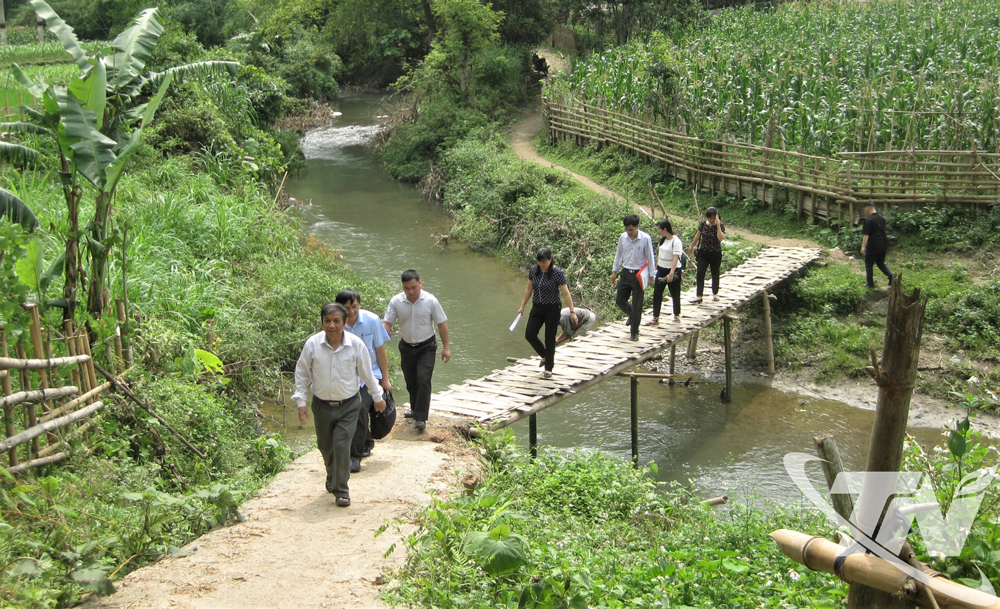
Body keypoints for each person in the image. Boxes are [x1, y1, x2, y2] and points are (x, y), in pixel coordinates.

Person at [292, 302, 386, 508]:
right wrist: (301, 402)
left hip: (349, 405)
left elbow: (367, 374)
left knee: (342, 445)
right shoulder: (313, 344)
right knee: (325, 446)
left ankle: (342, 490)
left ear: (345, 323)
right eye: (327, 321)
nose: (332, 325)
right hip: (322, 405)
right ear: (322, 322)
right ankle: (332, 476)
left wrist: (377, 397)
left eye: (336, 321)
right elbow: (302, 373)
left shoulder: (356, 345)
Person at [382, 270, 450, 432]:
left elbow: (442, 324)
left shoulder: (431, 301)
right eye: (407, 288)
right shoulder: (396, 302)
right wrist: (379, 343)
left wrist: (446, 347)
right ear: (403, 287)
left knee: (423, 378)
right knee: (411, 380)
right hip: (406, 346)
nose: (411, 292)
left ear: (420, 283)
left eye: (414, 287)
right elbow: (387, 323)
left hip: (426, 346)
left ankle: (421, 417)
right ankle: (414, 408)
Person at [335, 289, 392, 473]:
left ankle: (354, 456)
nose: (351, 311)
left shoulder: (372, 320)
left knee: (359, 407)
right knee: (348, 410)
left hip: (371, 374)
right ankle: (366, 441)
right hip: (347, 376)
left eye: (354, 307)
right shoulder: (334, 324)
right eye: (346, 308)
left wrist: (385, 378)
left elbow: (380, 350)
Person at [517, 248, 578, 378]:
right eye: (540, 261)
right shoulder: (534, 270)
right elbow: (529, 289)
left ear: (550, 260)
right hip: (537, 307)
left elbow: (566, 293)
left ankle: (549, 368)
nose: (542, 264)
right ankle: (544, 355)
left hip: (552, 309)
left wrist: (572, 311)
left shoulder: (557, 273)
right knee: (530, 334)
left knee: (549, 338)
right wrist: (522, 306)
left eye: (544, 261)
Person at [611, 214, 655, 341]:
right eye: (626, 229)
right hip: (625, 272)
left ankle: (634, 331)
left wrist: (651, 275)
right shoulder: (623, 237)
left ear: (637, 227)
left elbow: (650, 257)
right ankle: (632, 314)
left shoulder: (645, 239)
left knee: (637, 305)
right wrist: (615, 271)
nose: (628, 232)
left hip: (638, 275)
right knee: (620, 300)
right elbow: (618, 254)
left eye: (631, 229)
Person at [648, 219, 683, 325]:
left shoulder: (676, 241)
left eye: (659, 229)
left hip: (672, 269)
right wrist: (655, 268)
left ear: (665, 229)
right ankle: (655, 317)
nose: (658, 231)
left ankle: (676, 316)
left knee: (675, 293)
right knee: (657, 293)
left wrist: (671, 273)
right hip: (661, 269)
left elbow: (675, 258)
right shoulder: (662, 240)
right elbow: (660, 255)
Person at [688, 207, 726, 304]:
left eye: (711, 218)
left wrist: (717, 226)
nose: (709, 220)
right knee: (700, 272)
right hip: (703, 252)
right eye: (708, 217)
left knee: (715, 273)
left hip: (715, 253)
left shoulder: (720, 225)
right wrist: (692, 245)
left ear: (716, 217)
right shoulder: (703, 224)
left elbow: (720, 238)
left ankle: (715, 293)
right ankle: (699, 296)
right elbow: (698, 235)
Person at [861, 201, 894, 289]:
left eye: (865, 210)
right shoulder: (882, 218)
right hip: (883, 244)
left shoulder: (868, 220)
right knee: (880, 262)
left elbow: (866, 235)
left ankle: (870, 284)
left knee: (869, 264)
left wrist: (863, 247)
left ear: (867, 209)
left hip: (873, 245)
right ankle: (891, 275)